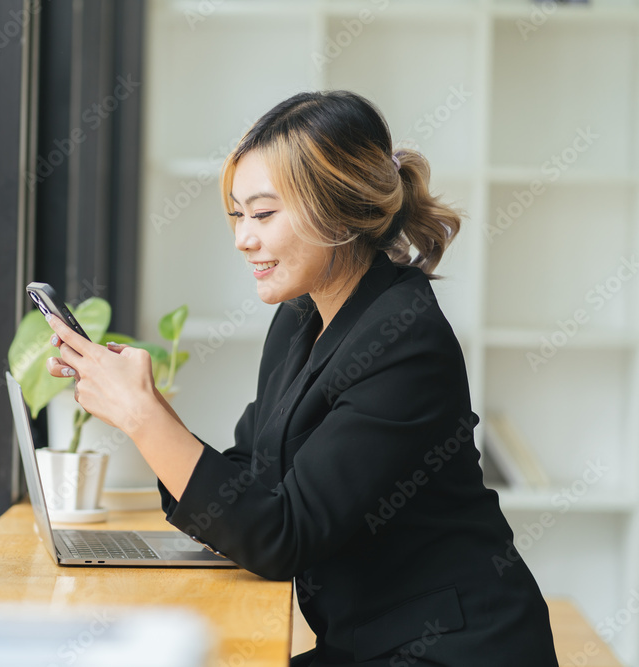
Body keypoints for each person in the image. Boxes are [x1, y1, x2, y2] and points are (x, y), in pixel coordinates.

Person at [44, 90, 558, 666]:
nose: (243, 237)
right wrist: (151, 407)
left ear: (340, 209)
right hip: (368, 644)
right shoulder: (302, 316)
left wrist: (140, 418)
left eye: (263, 214)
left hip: (452, 649)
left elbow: (282, 537)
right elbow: (254, 477)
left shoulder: (406, 339)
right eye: (238, 215)